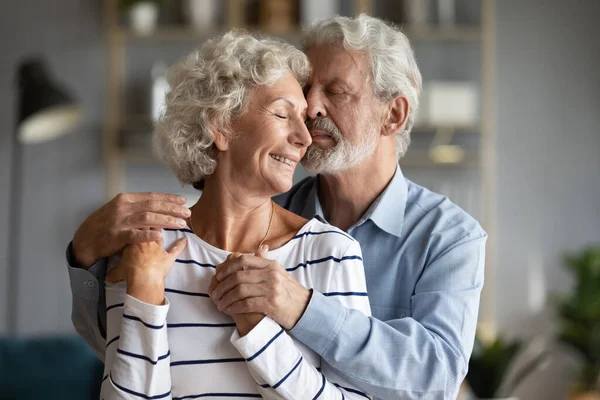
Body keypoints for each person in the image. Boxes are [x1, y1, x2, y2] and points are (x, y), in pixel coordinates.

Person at [68, 15, 487, 400]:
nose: (312, 116)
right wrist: (87, 254)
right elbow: (115, 346)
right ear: (222, 127)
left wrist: (297, 308)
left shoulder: (446, 237)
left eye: (336, 91)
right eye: (304, 97)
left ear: (392, 115)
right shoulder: (260, 211)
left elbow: (438, 378)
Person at [97, 31, 372, 399]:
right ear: (221, 126)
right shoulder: (146, 251)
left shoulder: (332, 253)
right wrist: (145, 294)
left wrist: (257, 328)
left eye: (304, 119)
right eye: (282, 114)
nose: (304, 138)